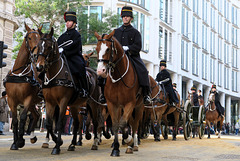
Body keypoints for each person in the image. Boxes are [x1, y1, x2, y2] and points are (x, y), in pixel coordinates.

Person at [113, 6, 151, 105]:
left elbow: (138, 46)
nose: (125, 18)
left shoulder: (136, 32)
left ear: (131, 18)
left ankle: (146, 94)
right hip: (118, 59)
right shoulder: (116, 32)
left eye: (127, 16)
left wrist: (128, 48)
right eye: (124, 16)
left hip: (132, 56)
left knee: (143, 70)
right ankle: (103, 94)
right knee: (104, 70)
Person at [57, 11, 88, 97]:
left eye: (69, 21)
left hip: (73, 56)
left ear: (74, 23)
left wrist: (64, 50)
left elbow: (76, 47)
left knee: (80, 67)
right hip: (61, 57)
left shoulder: (76, 35)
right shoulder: (62, 36)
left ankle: (83, 89)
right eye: (66, 21)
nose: (67, 23)